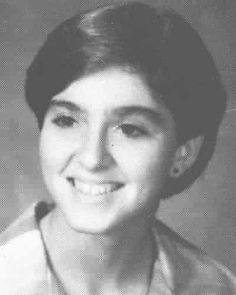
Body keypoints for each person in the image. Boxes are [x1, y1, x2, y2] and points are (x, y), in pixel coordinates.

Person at [0, 2, 236, 294]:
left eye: (130, 129)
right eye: (67, 120)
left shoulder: (218, 288)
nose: (92, 158)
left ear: (183, 154)